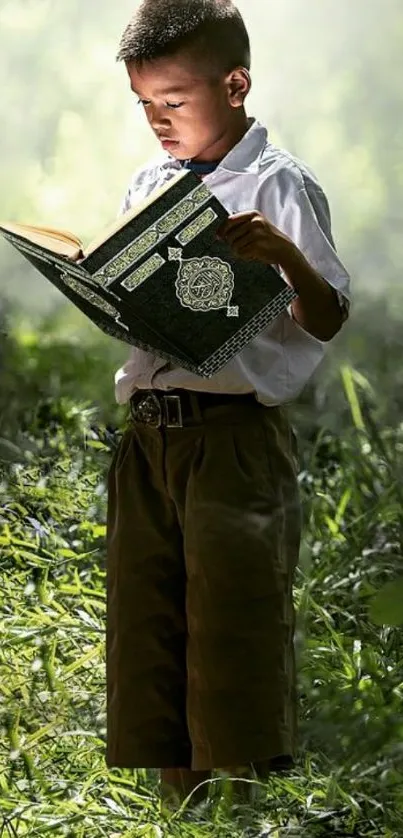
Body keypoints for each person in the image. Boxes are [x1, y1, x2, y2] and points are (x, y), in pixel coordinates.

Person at [106, 0, 351, 816]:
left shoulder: (279, 184)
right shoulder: (150, 183)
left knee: (232, 617)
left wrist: (281, 255)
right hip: (149, 434)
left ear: (235, 84)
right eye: (144, 105)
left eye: (172, 102)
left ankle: (242, 806)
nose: (156, 121)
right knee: (150, 616)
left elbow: (326, 317)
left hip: (231, 437)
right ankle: (178, 800)